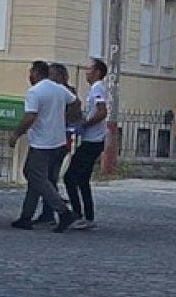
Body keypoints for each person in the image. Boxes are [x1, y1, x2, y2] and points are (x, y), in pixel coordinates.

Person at [9, 61, 79, 233]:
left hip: (41, 143)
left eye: (31, 72)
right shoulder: (59, 89)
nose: (29, 76)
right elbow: (76, 102)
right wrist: (68, 118)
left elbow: (30, 117)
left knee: (35, 176)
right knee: (38, 177)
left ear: (36, 72)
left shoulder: (35, 92)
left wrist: (16, 134)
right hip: (58, 142)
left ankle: (63, 212)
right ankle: (26, 216)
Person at [63, 58, 108, 230]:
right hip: (93, 140)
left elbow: (102, 112)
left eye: (89, 69)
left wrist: (85, 124)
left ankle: (77, 214)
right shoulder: (95, 89)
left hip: (92, 140)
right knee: (83, 179)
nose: (86, 73)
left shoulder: (97, 88)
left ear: (97, 72)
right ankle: (88, 216)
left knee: (70, 177)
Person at [36, 63, 75, 223]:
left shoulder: (65, 91)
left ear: (60, 76)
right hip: (52, 139)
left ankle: (56, 211)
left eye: (51, 74)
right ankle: (48, 211)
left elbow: (74, 109)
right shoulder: (54, 90)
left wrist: (66, 122)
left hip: (58, 141)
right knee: (46, 177)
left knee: (48, 177)